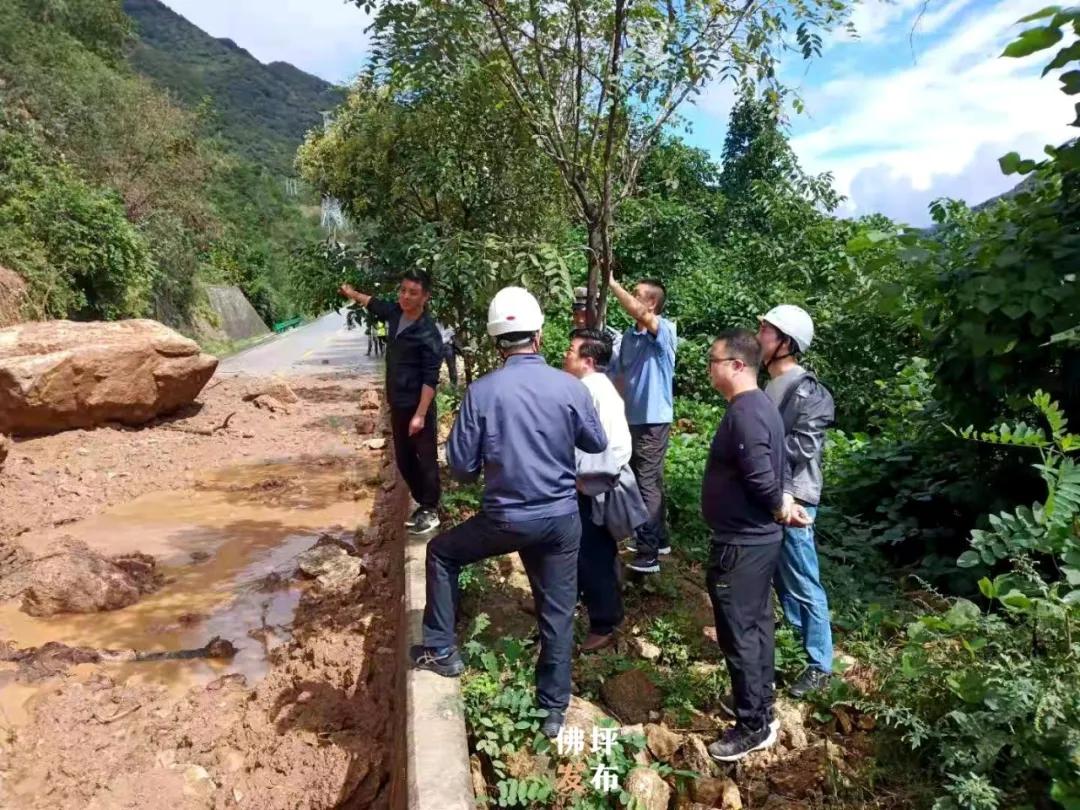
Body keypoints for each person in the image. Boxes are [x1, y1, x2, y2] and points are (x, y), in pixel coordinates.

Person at [411, 287, 607, 740]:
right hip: (560, 520)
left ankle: (441, 649)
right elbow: (595, 443)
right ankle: (553, 710)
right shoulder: (570, 386)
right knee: (557, 612)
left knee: (442, 553)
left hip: (506, 519)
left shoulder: (482, 392)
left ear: (498, 340)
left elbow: (459, 468)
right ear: (538, 335)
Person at [701, 329, 810, 763]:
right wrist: (781, 505)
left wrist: (780, 506)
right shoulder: (759, 405)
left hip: (743, 544)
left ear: (736, 365)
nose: (709, 368)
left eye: (713, 361)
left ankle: (752, 726)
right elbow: (773, 472)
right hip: (755, 540)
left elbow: (762, 477)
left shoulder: (746, 412)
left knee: (741, 633)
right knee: (758, 624)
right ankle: (760, 705)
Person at [758, 305, 836, 698]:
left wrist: (755, 446)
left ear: (786, 343)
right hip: (771, 493)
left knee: (802, 578)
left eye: (766, 332)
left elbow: (803, 447)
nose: (758, 338)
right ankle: (796, 647)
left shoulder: (810, 392)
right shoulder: (767, 386)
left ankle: (821, 664)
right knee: (780, 577)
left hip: (797, 497)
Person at [340, 271, 443, 534]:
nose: (406, 296)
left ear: (425, 297)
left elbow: (430, 380)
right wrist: (351, 293)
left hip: (418, 406)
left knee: (426, 458)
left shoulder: (428, 334)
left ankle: (431, 509)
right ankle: (423, 502)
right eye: (403, 291)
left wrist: (420, 415)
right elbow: (373, 302)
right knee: (404, 460)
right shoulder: (396, 313)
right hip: (397, 403)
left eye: (413, 292)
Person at [563, 328, 646, 653]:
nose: (565, 354)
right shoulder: (588, 387)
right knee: (586, 551)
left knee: (593, 553)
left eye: (572, 349)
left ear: (588, 360)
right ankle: (587, 606)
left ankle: (605, 621)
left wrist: (584, 479)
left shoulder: (595, 391)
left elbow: (616, 447)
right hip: (586, 483)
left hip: (593, 486)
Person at [605, 277, 676, 574]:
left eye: (637, 295)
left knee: (645, 483)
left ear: (651, 303)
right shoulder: (630, 336)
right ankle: (658, 539)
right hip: (633, 418)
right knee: (646, 479)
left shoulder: (664, 330)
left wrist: (611, 283)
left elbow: (641, 315)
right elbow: (620, 375)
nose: (631, 299)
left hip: (653, 419)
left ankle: (648, 552)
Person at [571, 287, 621, 368]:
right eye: (576, 314)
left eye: (585, 315)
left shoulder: (615, 340)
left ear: (598, 313)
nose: (580, 320)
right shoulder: (575, 334)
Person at [436, 320, 459, 386]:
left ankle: (454, 386)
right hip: (439, 346)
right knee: (436, 366)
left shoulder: (452, 324)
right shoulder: (437, 324)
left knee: (452, 366)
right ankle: (434, 385)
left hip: (448, 346)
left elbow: (454, 337)